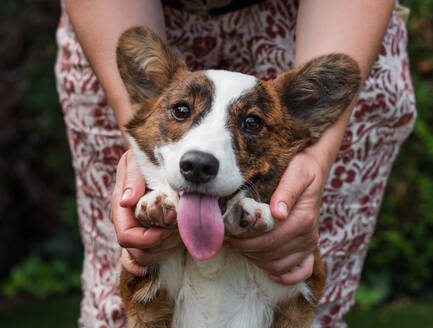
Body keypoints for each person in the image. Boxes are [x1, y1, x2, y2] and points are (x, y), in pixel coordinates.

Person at [55, 0, 416, 327]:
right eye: (182, 111)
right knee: (123, 285)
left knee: (293, 255)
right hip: (112, 16)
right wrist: (143, 154)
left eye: (251, 122)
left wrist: (316, 160)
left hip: (330, 25)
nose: (202, 158)